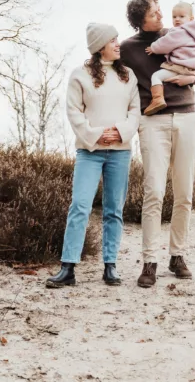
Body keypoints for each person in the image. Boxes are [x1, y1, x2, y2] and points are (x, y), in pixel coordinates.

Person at [120, 0, 195, 288]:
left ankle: (177, 255)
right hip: (152, 122)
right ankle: (149, 261)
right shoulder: (128, 49)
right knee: (154, 192)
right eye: (154, 13)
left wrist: (192, 79)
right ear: (140, 20)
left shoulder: (177, 34)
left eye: (160, 11)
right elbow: (109, 72)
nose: (161, 16)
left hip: (186, 117)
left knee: (184, 194)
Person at [46, 23, 139, 288]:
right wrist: (96, 135)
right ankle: (68, 268)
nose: (118, 44)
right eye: (113, 40)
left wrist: (120, 132)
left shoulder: (128, 76)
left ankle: (110, 267)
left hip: (120, 153)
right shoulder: (80, 75)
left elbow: (135, 111)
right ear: (100, 46)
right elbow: (73, 112)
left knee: (114, 210)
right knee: (80, 206)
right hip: (89, 152)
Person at [143, 1, 195, 116]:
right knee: (167, 79)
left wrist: (153, 48)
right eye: (174, 16)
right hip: (193, 66)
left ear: (191, 19)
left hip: (179, 66)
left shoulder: (179, 32)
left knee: (156, 76)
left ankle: (157, 99)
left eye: (181, 16)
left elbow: (165, 44)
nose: (177, 19)